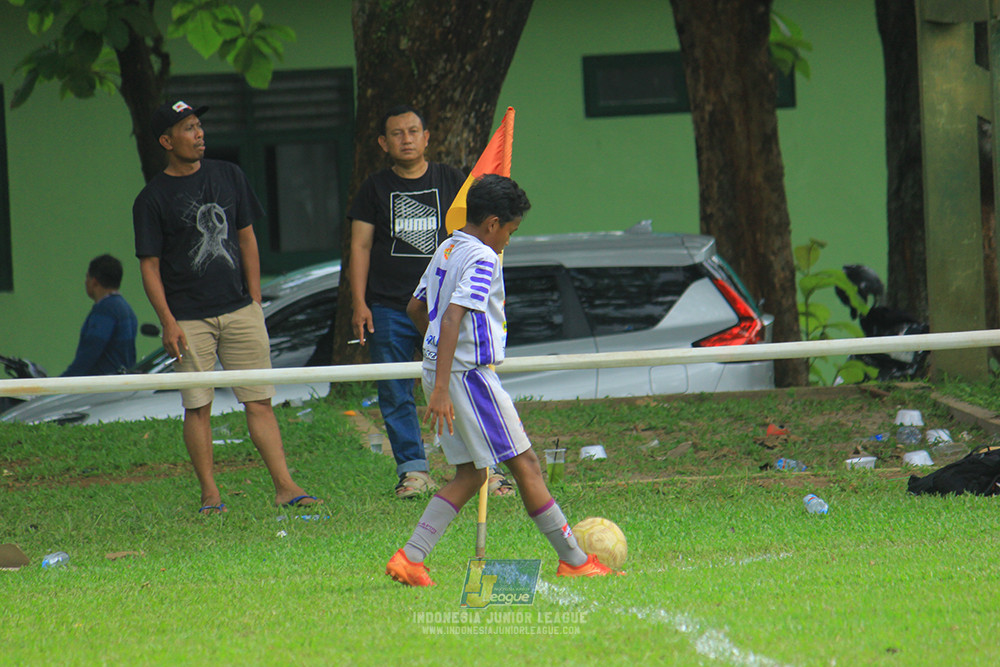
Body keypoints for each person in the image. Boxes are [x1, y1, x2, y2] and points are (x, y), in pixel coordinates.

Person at [385, 175, 617, 586]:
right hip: (469, 378)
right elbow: (454, 316)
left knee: (471, 474)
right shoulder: (482, 257)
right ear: (493, 223)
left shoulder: (448, 246)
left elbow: (415, 307)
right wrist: (445, 384)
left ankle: (411, 557)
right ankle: (575, 560)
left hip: (445, 372)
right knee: (526, 463)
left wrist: (436, 359)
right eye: (510, 230)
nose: (508, 240)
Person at [132, 100, 319, 514]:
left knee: (259, 400)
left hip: (240, 310)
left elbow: (248, 237)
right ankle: (210, 496)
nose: (198, 134)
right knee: (197, 406)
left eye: (199, 126)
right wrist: (168, 322)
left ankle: (286, 487)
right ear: (166, 141)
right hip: (187, 318)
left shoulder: (229, 174)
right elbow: (150, 267)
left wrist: (254, 298)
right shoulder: (151, 198)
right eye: (187, 128)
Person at [348, 105, 471, 499]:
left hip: (447, 306)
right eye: (397, 134)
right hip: (387, 305)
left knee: (462, 383)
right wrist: (360, 303)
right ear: (384, 143)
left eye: (413, 131)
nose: (406, 139)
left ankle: (481, 467)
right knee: (395, 389)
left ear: (427, 137)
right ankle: (413, 472)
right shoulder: (374, 188)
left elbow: (476, 238)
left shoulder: (451, 180)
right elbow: (360, 245)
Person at [62, 254, 138, 377]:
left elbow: (90, 353)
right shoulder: (126, 309)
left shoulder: (105, 310)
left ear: (94, 282)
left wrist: (62, 383)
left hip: (102, 388)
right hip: (122, 385)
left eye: (87, 277)